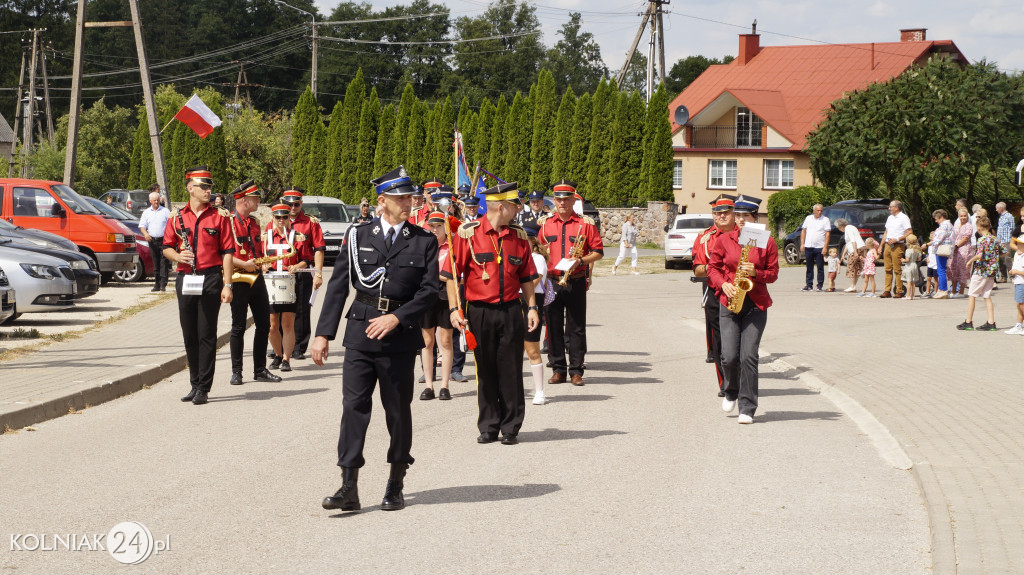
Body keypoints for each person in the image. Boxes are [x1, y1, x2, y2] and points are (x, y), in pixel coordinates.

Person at [315, 166, 439, 513]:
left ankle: (396, 481)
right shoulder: (358, 236)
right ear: (382, 201)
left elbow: (429, 292)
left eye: (410, 197)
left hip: (399, 338)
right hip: (359, 333)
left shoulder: (424, 240)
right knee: (353, 409)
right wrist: (323, 334)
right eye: (400, 198)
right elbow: (339, 286)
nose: (408, 203)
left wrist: (397, 317)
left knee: (397, 412)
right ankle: (348, 486)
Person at [443, 181, 540, 445]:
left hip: (510, 310)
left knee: (510, 370)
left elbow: (527, 277)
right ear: (501, 207)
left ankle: (511, 427)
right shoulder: (468, 234)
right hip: (479, 312)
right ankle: (489, 425)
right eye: (514, 206)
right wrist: (454, 308)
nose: (517, 210)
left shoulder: (518, 237)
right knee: (484, 370)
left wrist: (532, 307)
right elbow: (452, 276)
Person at [163, 165, 234, 405]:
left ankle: (204, 386)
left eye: (210, 186)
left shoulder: (219, 216)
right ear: (190, 188)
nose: (208, 190)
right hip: (186, 278)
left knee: (207, 334)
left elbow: (227, 253)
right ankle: (194, 383)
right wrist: (177, 257)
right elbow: (166, 247)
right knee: (189, 334)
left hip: (211, 278)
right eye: (203, 187)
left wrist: (228, 285)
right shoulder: (177, 217)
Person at [707, 194, 778, 424]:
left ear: (755, 217)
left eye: (745, 216)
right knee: (728, 357)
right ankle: (731, 391)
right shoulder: (724, 240)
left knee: (749, 356)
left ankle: (747, 407)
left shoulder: (767, 242)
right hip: (730, 302)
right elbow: (713, 268)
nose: (740, 220)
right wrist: (723, 284)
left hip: (755, 305)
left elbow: (774, 274)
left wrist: (757, 273)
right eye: (737, 215)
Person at [538, 179, 603, 386]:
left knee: (576, 328)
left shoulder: (585, 224)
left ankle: (576, 371)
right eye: (558, 199)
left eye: (566, 199)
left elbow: (598, 252)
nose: (562, 203)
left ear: (573, 199)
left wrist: (581, 261)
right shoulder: (546, 223)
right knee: (553, 327)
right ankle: (558, 369)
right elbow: (538, 251)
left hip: (575, 281)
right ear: (554, 201)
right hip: (552, 281)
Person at [226, 180, 282, 386]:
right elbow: (221, 254)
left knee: (264, 324)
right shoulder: (228, 222)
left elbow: (257, 249)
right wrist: (244, 264)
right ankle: (236, 372)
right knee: (238, 326)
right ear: (243, 200)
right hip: (238, 278)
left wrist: (262, 262)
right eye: (255, 197)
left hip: (256, 276)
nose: (258, 200)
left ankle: (259, 369)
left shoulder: (255, 222)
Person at [693, 194, 736, 396]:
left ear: (734, 214)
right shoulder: (705, 238)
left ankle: (740, 378)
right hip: (716, 291)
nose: (722, 216)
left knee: (740, 342)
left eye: (727, 212)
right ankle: (725, 384)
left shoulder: (746, 235)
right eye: (718, 213)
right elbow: (697, 269)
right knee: (719, 340)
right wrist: (714, 268)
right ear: (713, 215)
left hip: (741, 291)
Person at [280, 188, 326, 360]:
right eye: (289, 204)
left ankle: (299, 346)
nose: (292, 207)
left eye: (296, 204)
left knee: (301, 310)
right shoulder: (276, 220)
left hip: (302, 271)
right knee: (280, 311)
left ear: (301, 204)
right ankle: (282, 346)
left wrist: (319, 274)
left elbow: (319, 249)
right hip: (281, 272)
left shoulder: (310, 222)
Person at [418, 211, 455, 401]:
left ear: (445, 227)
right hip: (426, 294)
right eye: (431, 226)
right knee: (427, 341)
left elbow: (455, 275)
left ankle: (445, 385)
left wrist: (441, 276)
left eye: (439, 226)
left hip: (446, 294)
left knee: (446, 340)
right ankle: (429, 385)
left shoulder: (453, 246)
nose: (434, 229)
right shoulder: (423, 245)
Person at [266, 203, 303, 372]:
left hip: (289, 281)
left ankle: (287, 359)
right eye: (278, 217)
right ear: (272, 218)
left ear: (289, 218)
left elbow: (306, 259)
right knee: (272, 325)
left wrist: (297, 266)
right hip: (270, 281)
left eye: (285, 217)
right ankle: (278, 355)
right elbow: (258, 256)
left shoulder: (296, 236)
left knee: (287, 322)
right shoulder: (266, 236)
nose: (281, 220)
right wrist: (263, 266)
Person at [959, 216, 1001, 331]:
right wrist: (993, 258)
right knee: (986, 296)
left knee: (972, 294)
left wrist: (969, 261)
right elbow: (1004, 252)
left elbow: (979, 255)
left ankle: (968, 321)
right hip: (991, 271)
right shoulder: (995, 239)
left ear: (978, 228)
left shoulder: (982, 239)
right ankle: (991, 322)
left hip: (981, 270)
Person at [524, 229, 549, 405]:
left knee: (532, 348)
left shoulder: (537, 258)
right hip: (513, 300)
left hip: (532, 299)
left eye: (526, 240)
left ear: (533, 242)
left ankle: (539, 391)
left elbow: (534, 280)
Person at [139, 188, 171, 292]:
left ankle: (163, 284)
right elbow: (142, 226)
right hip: (152, 240)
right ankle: (156, 284)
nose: (156, 202)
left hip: (164, 240)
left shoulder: (165, 211)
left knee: (164, 262)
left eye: (157, 200)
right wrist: (146, 234)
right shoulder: (146, 212)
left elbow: (171, 225)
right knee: (155, 262)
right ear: (150, 201)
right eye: (154, 200)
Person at [879, 200, 912, 298]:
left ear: (896, 208)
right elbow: (886, 231)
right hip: (888, 245)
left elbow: (909, 232)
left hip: (897, 245)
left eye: (891, 207)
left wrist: (897, 239)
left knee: (897, 269)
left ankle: (899, 290)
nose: (889, 208)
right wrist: (881, 245)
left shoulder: (903, 218)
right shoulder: (890, 218)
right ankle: (887, 290)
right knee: (887, 268)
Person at [799, 203, 831, 291]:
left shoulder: (825, 220)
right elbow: (803, 231)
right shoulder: (808, 218)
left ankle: (819, 285)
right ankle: (809, 285)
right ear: (814, 211)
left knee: (820, 267)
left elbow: (827, 234)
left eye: (821, 210)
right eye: (818, 210)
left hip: (819, 247)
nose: (820, 212)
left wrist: (825, 247)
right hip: (809, 246)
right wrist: (802, 244)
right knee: (809, 267)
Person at [948, 208, 974, 299]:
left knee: (962, 269)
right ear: (958, 216)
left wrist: (957, 246)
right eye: (961, 216)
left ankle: (962, 291)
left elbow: (966, 238)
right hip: (954, 249)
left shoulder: (968, 226)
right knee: (953, 268)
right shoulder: (956, 225)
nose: (963, 217)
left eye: (965, 216)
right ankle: (953, 290)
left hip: (964, 248)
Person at [931, 209, 954, 299]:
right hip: (945, 249)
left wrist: (933, 243)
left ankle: (943, 290)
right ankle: (941, 289)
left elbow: (939, 238)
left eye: (937, 219)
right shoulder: (949, 225)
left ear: (941, 217)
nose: (936, 221)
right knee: (941, 270)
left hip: (942, 249)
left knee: (941, 270)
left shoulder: (944, 225)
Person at [836, 218, 863, 293]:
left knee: (850, 267)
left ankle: (853, 286)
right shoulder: (852, 227)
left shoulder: (848, 229)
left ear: (841, 226)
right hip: (860, 247)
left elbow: (853, 240)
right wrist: (843, 255)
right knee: (857, 267)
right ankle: (853, 286)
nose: (839, 229)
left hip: (856, 249)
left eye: (838, 228)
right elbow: (848, 244)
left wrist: (855, 252)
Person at [1005, 235, 1024, 335]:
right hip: (1018, 281)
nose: (1017, 245)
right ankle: (1018, 325)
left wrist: (1017, 271)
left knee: (1021, 305)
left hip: (1022, 282)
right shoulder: (1018, 254)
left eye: (1020, 243)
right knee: (1019, 304)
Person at [995, 202, 1014, 282]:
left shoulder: (1009, 216)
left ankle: (1012, 276)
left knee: (1007, 258)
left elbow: (1012, 228)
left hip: (1006, 240)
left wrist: (1010, 238)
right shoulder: (1001, 217)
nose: (996, 210)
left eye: (997, 208)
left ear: (1001, 208)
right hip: (1000, 241)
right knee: (1001, 259)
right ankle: (1003, 277)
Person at [901, 235, 922, 300]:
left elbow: (907, 260)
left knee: (909, 282)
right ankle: (913, 295)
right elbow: (919, 259)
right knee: (913, 282)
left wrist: (902, 260)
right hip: (914, 265)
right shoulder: (917, 250)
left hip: (909, 266)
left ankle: (908, 295)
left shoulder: (908, 250)